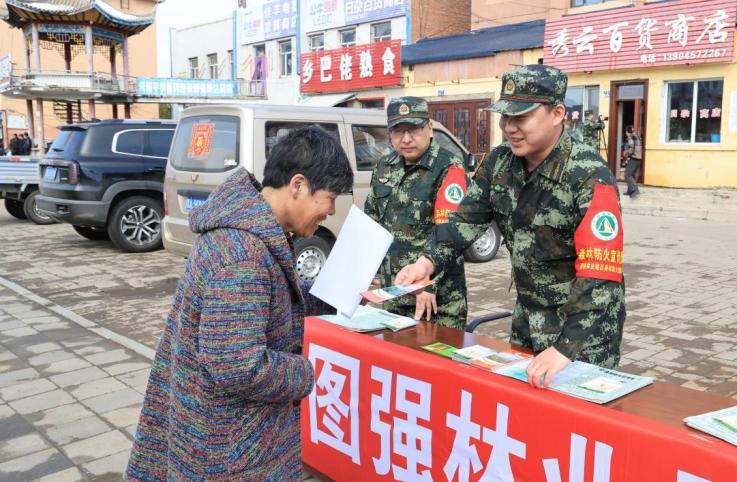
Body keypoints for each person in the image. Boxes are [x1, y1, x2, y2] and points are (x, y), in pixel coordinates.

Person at [126, 126, 353, 481]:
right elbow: (238, 365)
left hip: (222, 434)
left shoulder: (250, 233)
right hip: (232, 449)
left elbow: (271, 301)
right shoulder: (242, 254)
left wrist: (334, 294)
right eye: (330, 197)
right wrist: (308, 372)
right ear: (298, 185)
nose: (331, 210)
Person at [396, 65, 626, 389]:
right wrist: (426, 262)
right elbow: (465, 220)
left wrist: (566, 347)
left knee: (572, 413)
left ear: (557, 113)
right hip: (527, 318)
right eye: (505, 117)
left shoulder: (589, 175)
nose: (509, 128)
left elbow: (599, 273)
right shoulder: (500, 162)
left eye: (521, 117)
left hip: (582, 331)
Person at [364, 96, 468, 328]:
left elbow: (452, 233)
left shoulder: (449, 167)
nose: (406, 139)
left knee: (433, 350)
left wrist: (429, 284)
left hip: (435, 298)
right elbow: (371, 220)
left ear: (429, 128)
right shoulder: (384, 167)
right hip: (394, 292)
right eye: (398, 131)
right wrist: (367, 271)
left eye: (414, 130)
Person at [623, 125, 642, 198]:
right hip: (638, 158)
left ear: (627, 132)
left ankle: (635, 190)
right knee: (632, 175)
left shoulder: (631, 138)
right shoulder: (636, 137)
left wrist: (625, 153)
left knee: (627, 175)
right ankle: (630, 190)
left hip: (634, 158)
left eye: (626, 132)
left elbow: (631, 149)